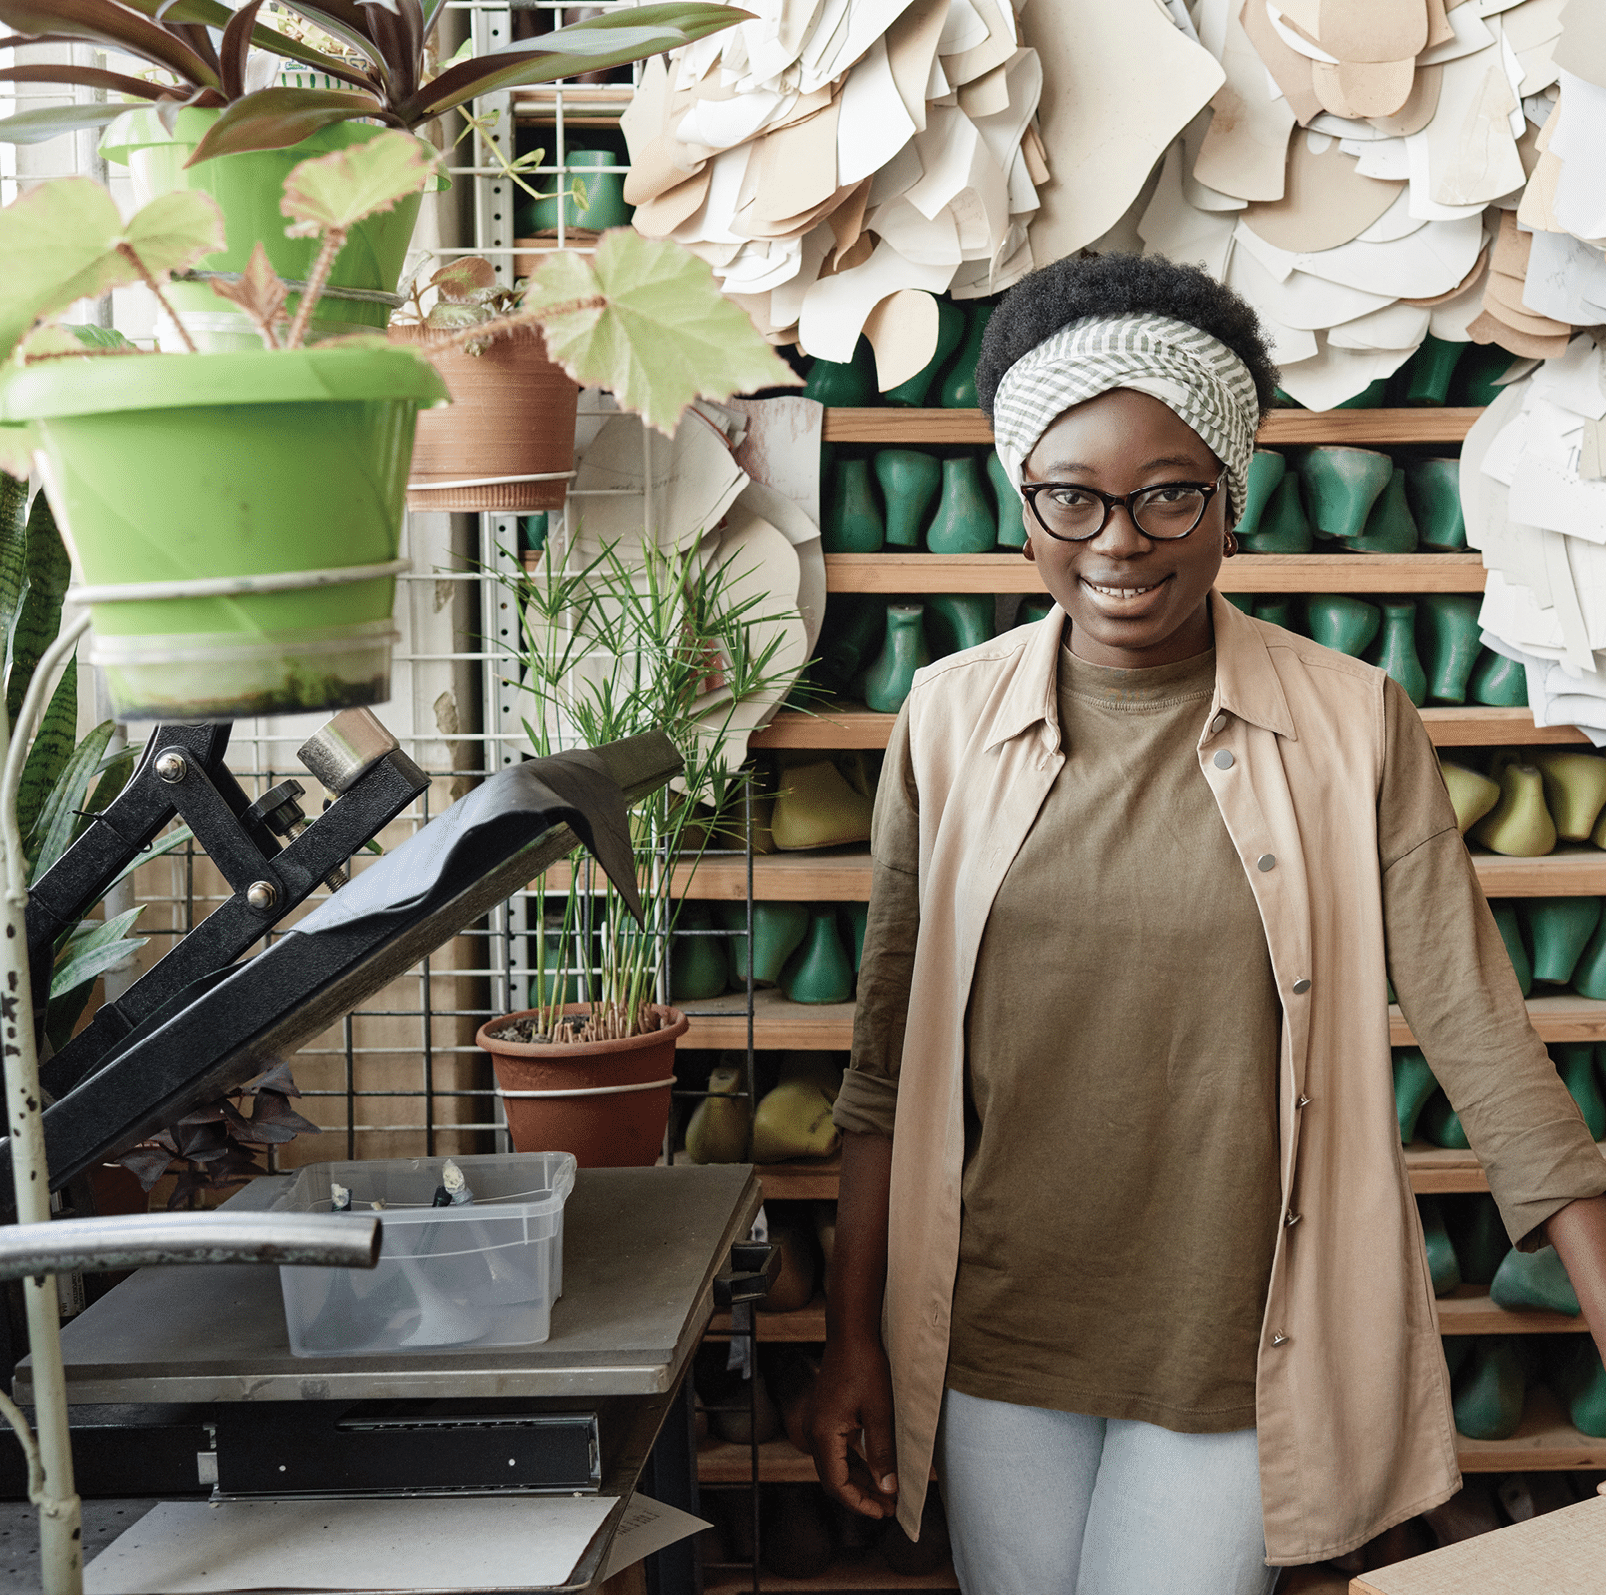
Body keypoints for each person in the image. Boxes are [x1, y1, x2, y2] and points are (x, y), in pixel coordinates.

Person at [806, 252, 1606, 1595]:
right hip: (996, 1329)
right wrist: (851, 1341)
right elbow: (883, 1067)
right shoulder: (943, 719)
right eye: (1071, 496)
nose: (1117, 540)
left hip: (1240, 1343)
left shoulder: (1349, 722)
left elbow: (1479, 1039)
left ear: (1229, 503)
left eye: (1167, 493)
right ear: (1020, 514)